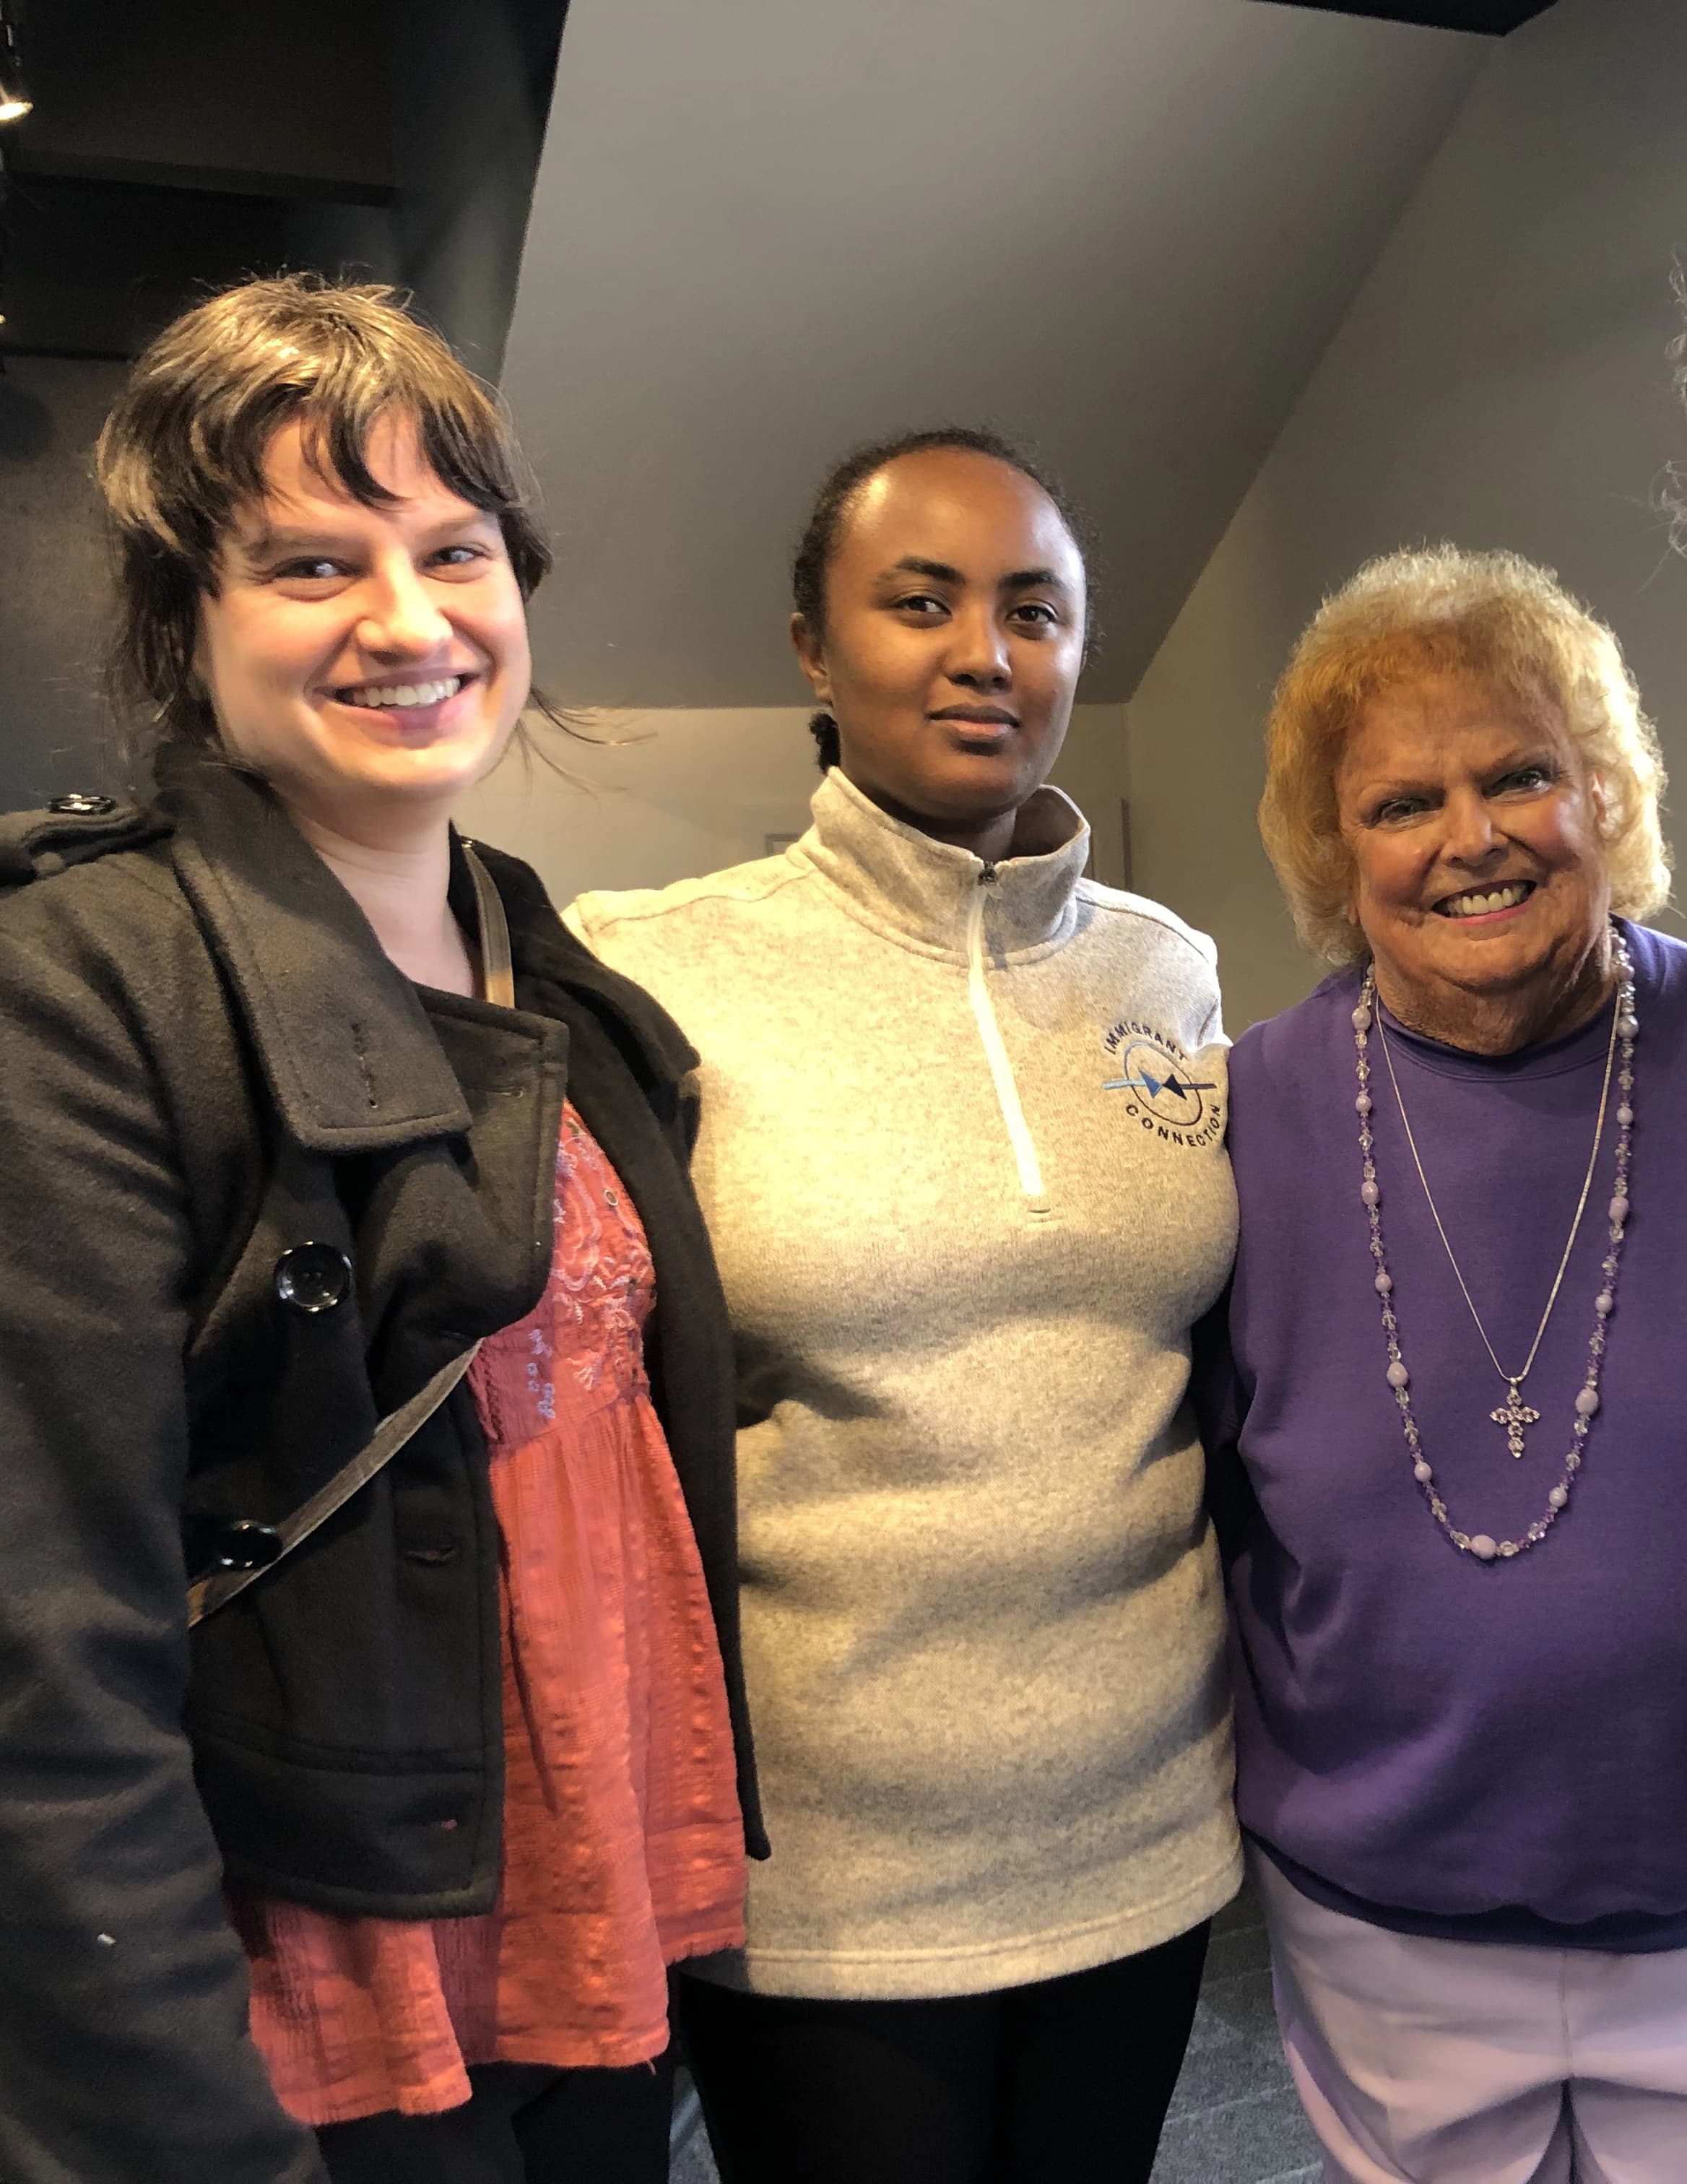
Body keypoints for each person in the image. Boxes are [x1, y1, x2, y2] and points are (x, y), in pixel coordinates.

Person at [0, 274, 762, 2184]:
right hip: (313, 1979)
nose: (411, 622)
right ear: (191, 621)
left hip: (576, 1920)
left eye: (454, 551)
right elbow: (46, 1651)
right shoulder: (86, 982)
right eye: (312, 565)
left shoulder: (534, 946)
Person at [566, 428, 1241, 2184]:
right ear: (812, 642)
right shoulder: (648, 965)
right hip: (824, 1883)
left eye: (1037, 609)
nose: (984, 652)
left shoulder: (1166, 970)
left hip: (1151, 1835)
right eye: (919, 601)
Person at [1203, 544, 1687, 2181]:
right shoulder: (1236, 1117)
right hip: (1385, 1920)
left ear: (1607, 795)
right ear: (1334, 857)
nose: (1469, 839)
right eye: (1400, 805)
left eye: (1520, 777)